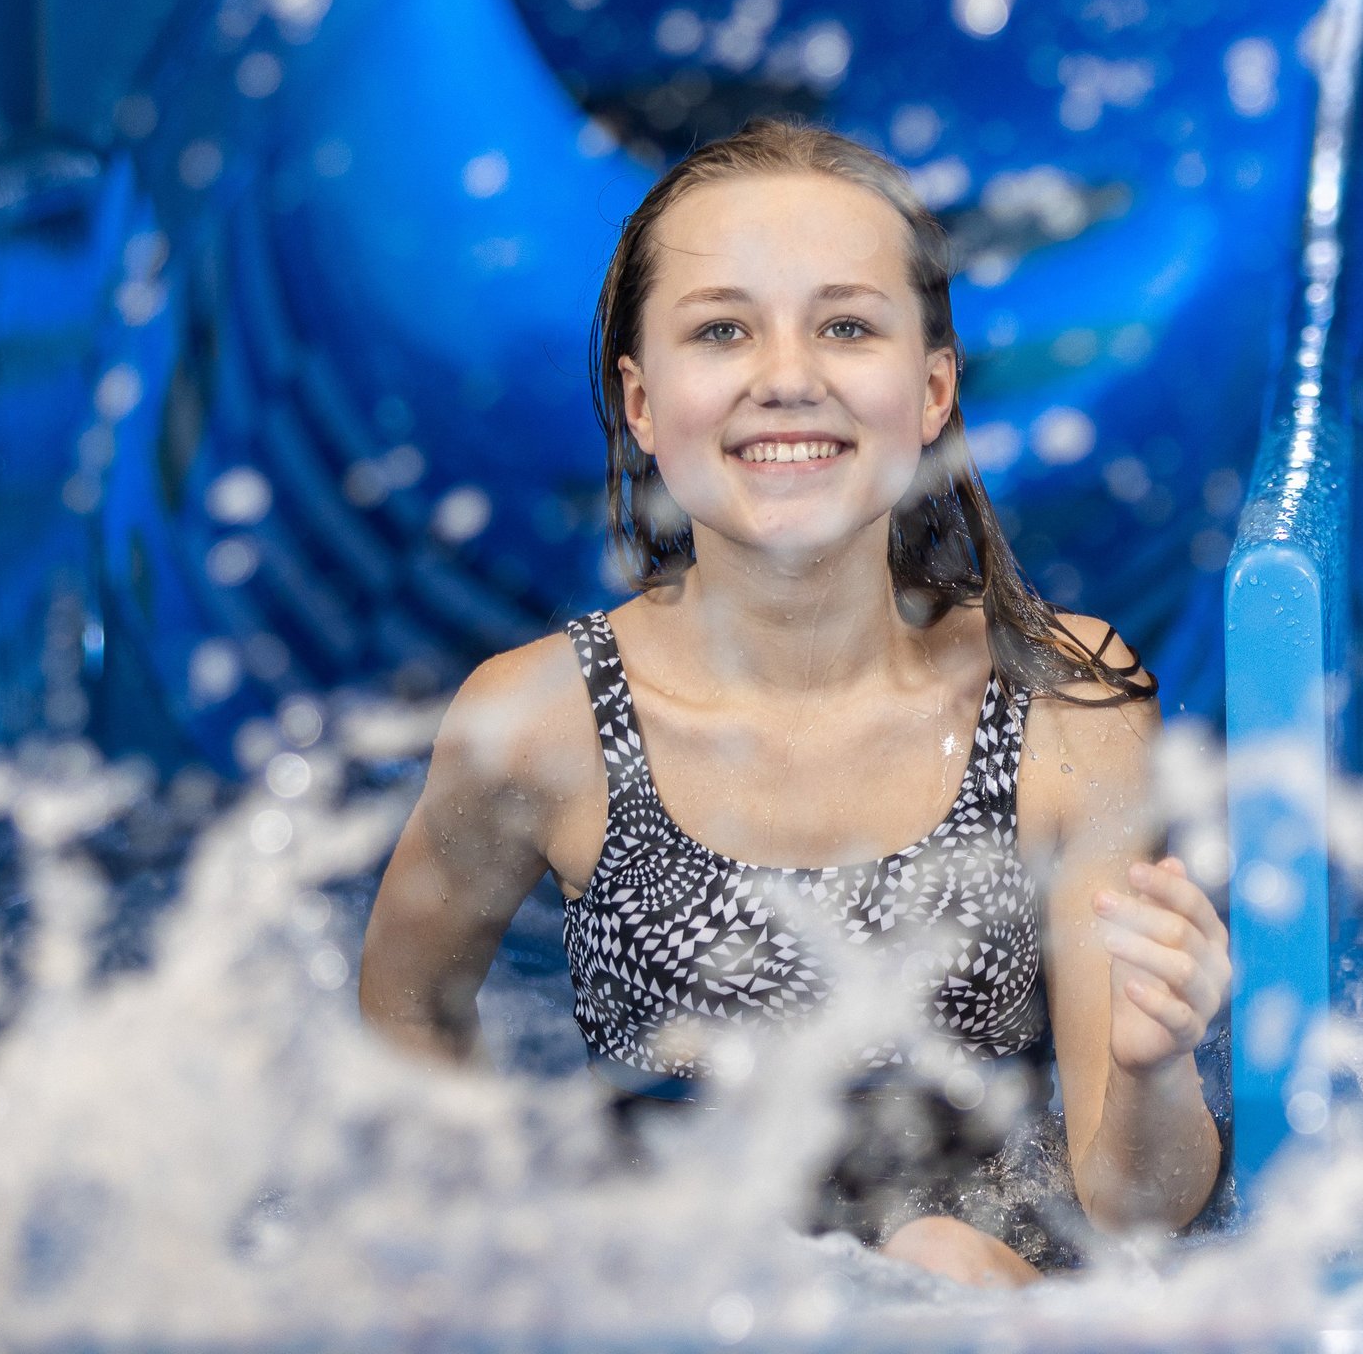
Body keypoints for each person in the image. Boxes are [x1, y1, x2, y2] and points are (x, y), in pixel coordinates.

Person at [358, 119, 1229, 1287]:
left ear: (929, 393)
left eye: (846, 326)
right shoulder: (542, 721)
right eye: (722, 329)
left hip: (979, 1270)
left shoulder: (1058, 702)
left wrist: (1160, 1061)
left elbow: (1138, 1205)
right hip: (682, 1274)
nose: (786, 377)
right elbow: (407, 1011)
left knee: (939, 1260)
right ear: (644, 405)